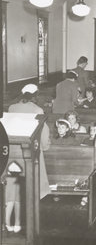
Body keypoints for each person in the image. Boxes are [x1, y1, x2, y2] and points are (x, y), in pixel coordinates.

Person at [7, 84, 51, 232]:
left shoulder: (12, 108)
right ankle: (30, 225)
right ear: (35, 95)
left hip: (13, 153)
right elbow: (43, 134)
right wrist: (45, 146)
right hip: (31, 153)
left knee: (14, 187)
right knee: (32, 186)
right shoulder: (38, 110)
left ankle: (11, 222)